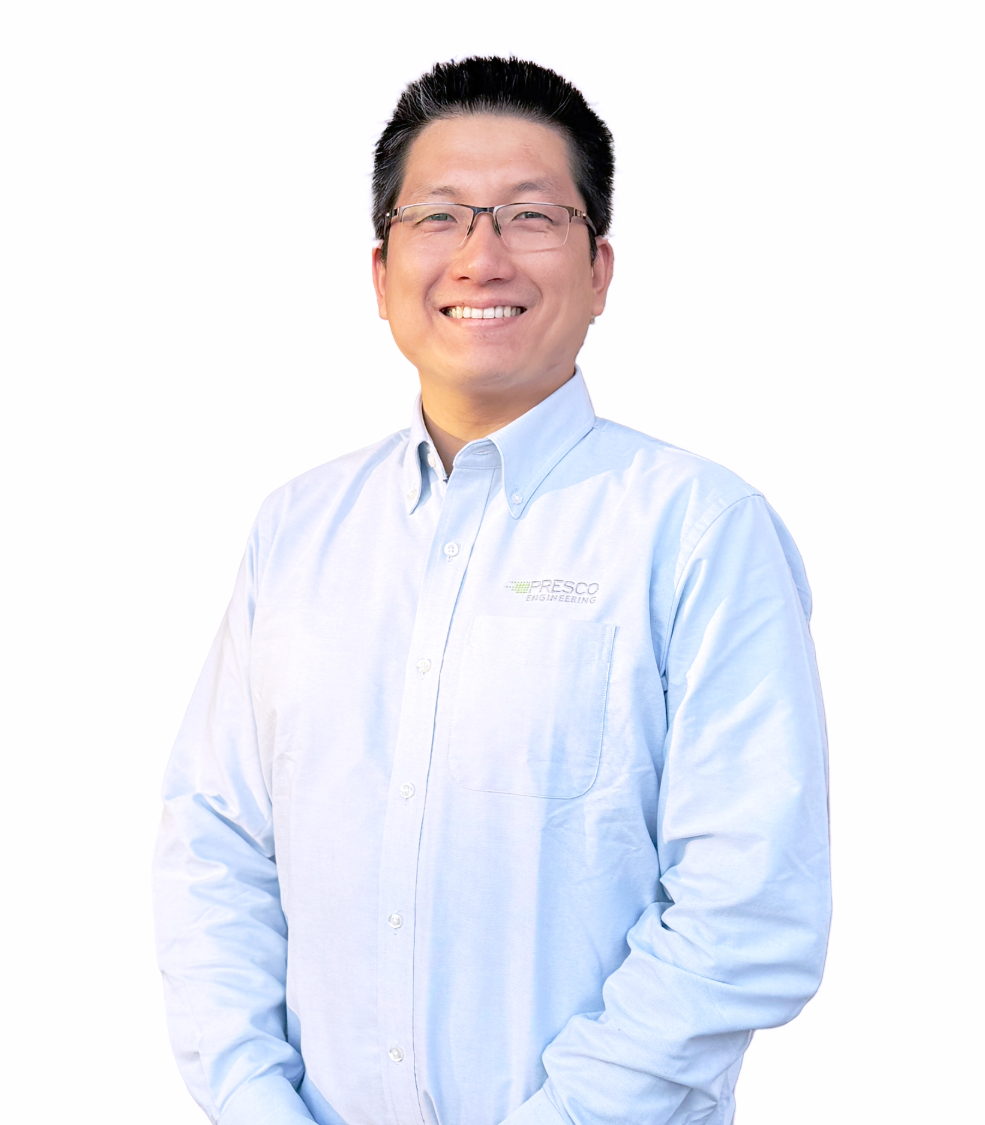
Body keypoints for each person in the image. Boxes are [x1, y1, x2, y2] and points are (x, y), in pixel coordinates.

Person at [151, 56, 830, 1125]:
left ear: (601, 269)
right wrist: (255, 1105)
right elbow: (216, 847)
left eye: (530, 215)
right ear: (380, 273)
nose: (482, 254)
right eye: (440, 216)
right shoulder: (298, 529)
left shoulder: (696, 529)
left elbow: (746, 914)